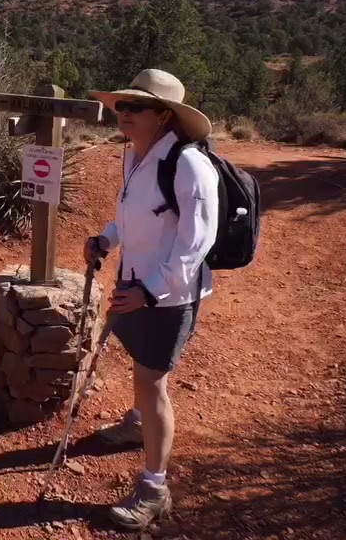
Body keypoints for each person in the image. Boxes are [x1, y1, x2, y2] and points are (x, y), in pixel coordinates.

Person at [82, 68, 219, 530]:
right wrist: (106, 239)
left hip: (168, 296)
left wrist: (151, 291)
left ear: (163, 115)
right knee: (140, 364)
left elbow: (195, 244)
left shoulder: (189, 165)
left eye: (135, 106)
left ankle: (154, 488)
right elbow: (129, 215)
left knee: (152, 380)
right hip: (134, 285)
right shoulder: (135, 156)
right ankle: (138, 424)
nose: (123, 113)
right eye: (121, 105)